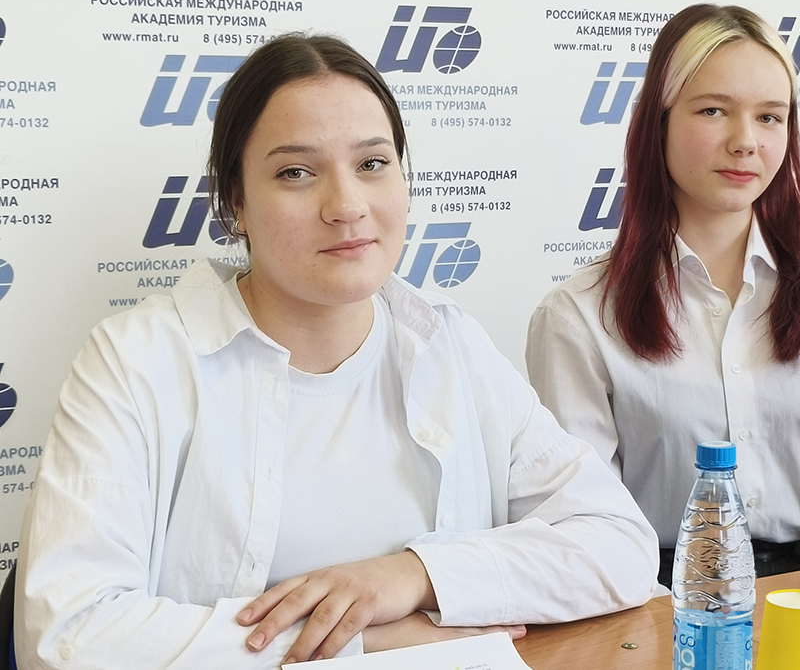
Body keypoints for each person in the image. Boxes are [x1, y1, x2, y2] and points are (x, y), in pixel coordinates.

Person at [14, 34, 659, 669]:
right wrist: (363, 639)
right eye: (295, 172)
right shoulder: (136, 361)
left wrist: (411, 576)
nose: (347, 206)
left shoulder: (450, 344)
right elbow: (68, 636)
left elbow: (619, 544)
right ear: (236, 200)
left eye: (372, 164)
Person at [526, 4, 800, 585]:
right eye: (713, 110)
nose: (745, 142)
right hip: (653, 598)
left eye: (770, 117)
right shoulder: (579, 314)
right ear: (657, 122)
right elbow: (582, 523)